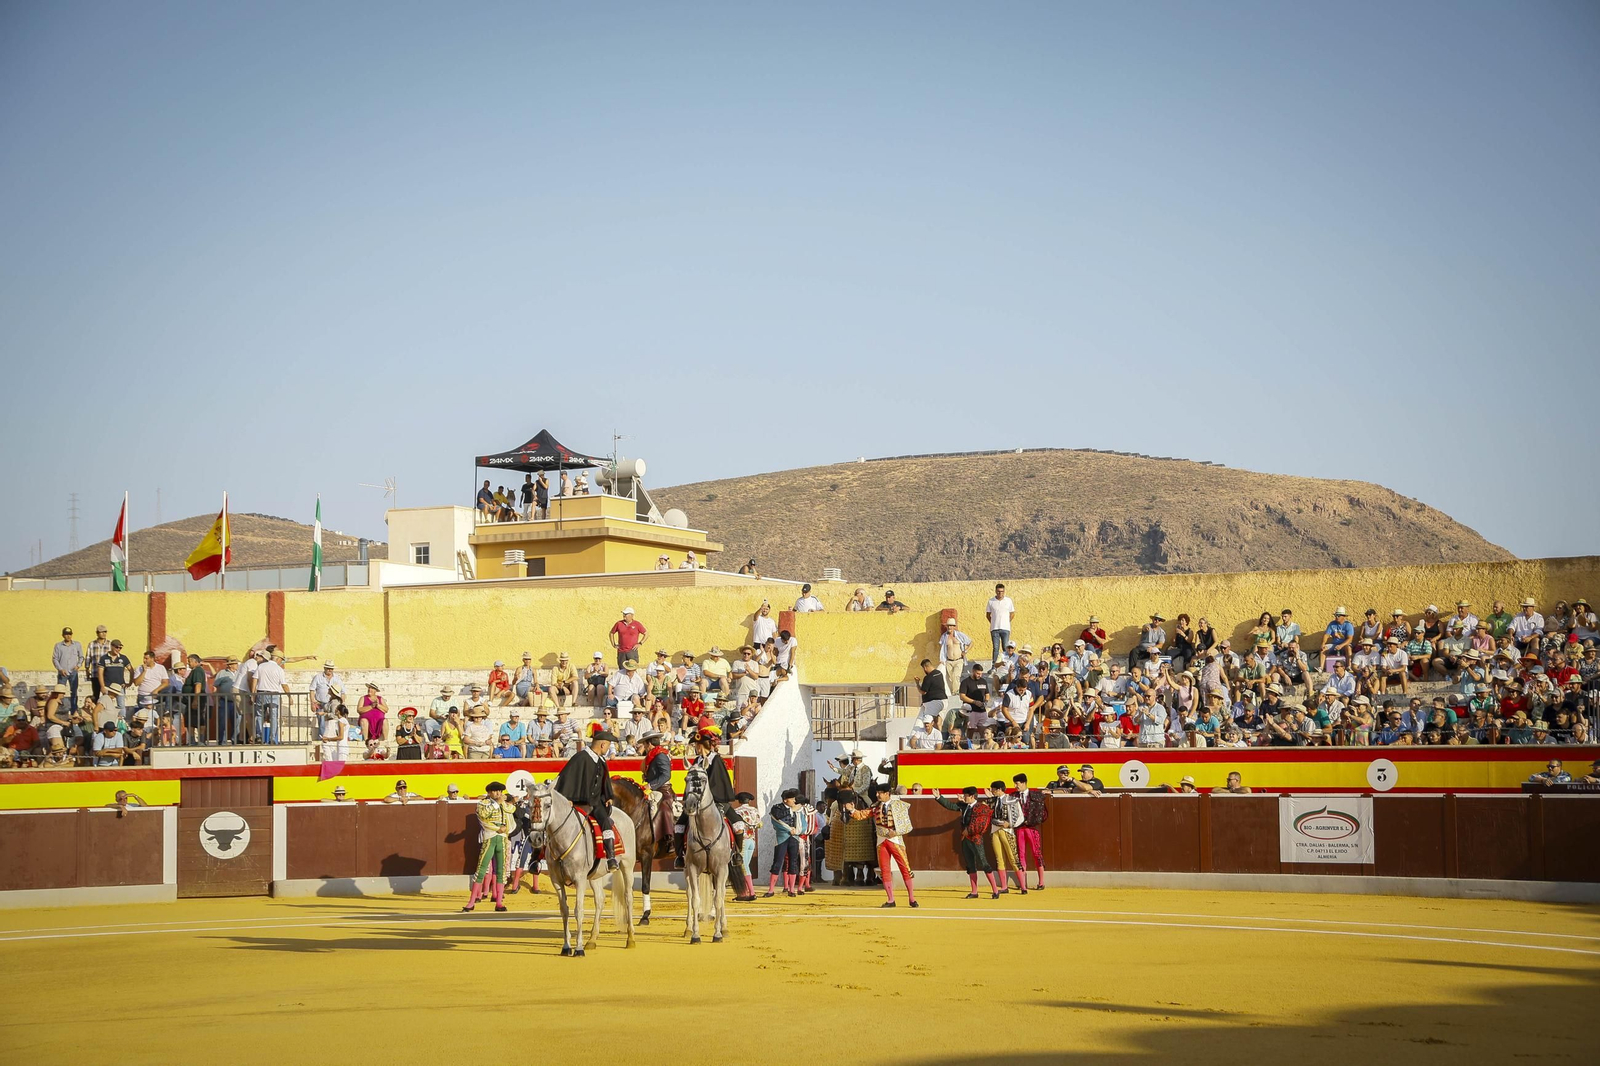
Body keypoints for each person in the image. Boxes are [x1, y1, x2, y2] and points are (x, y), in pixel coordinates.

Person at [677, 728, 754, 899]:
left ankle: (736, 855)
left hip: (718, 802)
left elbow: (719, 784)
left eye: (696, 744)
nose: (695, 748)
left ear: (702, 744)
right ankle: (680, 856)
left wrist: (709, 799)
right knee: (679, 825)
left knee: (739, 825)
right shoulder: (697, 761)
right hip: (697, 803)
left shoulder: (716, 760)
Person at [554, 730, 621, 870]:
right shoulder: (580, 758)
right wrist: (567, 798)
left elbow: (604, 781)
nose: (608, 749)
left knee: (606, 822)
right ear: (602, 745)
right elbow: (567, 778)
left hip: (596, 803)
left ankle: (611, 857)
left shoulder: (601, 760)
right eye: (608, 746)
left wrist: (608, 796)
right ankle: (537, 858)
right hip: (578, 802)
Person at [849, 783, 917, 908]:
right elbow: (863, 815)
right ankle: (891, 900)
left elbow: (908, 825)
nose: (877, 795)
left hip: (895, 840)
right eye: (877, 793)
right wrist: (852, 810)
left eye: (880, 793)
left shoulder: (899, 806)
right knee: (885, 870)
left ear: (887, 794)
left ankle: (912, 898)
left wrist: (896, 832)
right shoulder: (875, 807)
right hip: (881, 842)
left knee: (905, 869)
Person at [934, 786, 1001, 899]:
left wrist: (968, 831)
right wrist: (939, 797)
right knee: (970, 865)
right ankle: (974, 892)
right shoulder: (964, 806)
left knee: (984, 863)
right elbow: (951, 806)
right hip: (965, 839)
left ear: (971, 796)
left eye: (965, 795)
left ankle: (995, 890)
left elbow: (981, 824)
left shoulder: (980, 807)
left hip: (976, 839)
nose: (963, 797)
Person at [463, 781, 514, 912]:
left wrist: (503, 803)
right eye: (496, 791)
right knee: (481, 869)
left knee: (501, 871)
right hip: (490, 837)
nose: (499, 793)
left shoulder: (504, 804)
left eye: (500, 791)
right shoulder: (483, 804)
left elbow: (512, 810)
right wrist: (498, 828)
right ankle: (471, 902)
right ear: (489, 793)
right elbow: (483, 817)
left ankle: (499, 903)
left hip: (502, 839)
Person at [986, 781, 1027, 894]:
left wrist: (1010, 824)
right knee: (999, 859)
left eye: (993, 789)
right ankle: (1004, 887)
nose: (992, 792)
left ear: (999, 789)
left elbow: (1020, 816)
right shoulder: (993, 801)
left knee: (1013, 859)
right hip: (995, 830)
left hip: (1007, 831)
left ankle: (1023, 887)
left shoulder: (1011, 799)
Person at [1012, 772, 1048, 890]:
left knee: (1036, 853)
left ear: (1024, 783)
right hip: (1019, 829)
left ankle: (1041, 882)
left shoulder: (1036, 795)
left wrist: (1033, 821)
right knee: (1021, 855)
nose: (1016, 786)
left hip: (1032, 828)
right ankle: (1023, 883)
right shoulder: (1013, 796)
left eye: (1017, 784)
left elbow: (1043, 813)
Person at [766, 789, 804, 897]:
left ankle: (791, 890)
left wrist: (796, 831)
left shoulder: (798, 810)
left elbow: (803, 824)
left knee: (793, 863)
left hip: (794, 838)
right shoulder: (777, 808)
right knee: (777, 862)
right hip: (782, 838)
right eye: (793, 799)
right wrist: (789, 829)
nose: (795, 801)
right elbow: (776, 821)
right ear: (786, 800)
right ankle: (771, 890)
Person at [53, 627, 85, 712]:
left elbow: (81, 657)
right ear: (63, 635)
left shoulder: (77, 644)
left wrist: (78, 666)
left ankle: (74, 710)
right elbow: (55, 659)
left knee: (74, 692)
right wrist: (60, 669)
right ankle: (60, 709)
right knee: (60, 692)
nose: (68, 636)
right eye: (66, 634)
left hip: (73, 672)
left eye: (70, 634)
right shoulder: (58, 646)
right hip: (62, 673)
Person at [985, 583, 1016, 664]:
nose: (1000, 593)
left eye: (1002, 591)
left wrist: (1006, 621)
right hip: (994, 628)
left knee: (1005, 647)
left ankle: (1006, 664)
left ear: (1004, 591)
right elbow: (988, 615)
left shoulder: (1008, 601)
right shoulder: (991, 601)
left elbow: (1012, 613)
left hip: (1005, 628)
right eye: (998, 591)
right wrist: (993, 622)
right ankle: (994, 665)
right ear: (996, 591)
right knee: (996, 648)